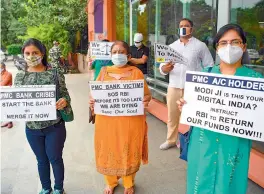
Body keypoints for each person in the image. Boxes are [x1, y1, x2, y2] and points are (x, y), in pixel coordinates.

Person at [177, 24, 263, 194]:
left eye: (235, 42)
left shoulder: (255, 81)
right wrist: (185, 106)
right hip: (203, 143)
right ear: (217, 48)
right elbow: (194, 104)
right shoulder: (204, 75)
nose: (229, 47)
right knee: (199, 183)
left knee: (229, 183)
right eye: (223, 43)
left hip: (233, 145)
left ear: (244, 46)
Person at [89, 41, 151, 194]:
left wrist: (146, 99)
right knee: (109, 148)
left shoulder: (136, 72)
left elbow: (147, 94)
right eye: (115, 52)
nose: (118, 54)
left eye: (121, 52)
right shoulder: (103, 72)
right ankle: (111, 182)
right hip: (107, 121)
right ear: (111, 55)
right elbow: (95, 94)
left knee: (129, 149)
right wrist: (92, 100)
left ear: (128, 56)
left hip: (131, 121)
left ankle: (129, 182)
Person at [14, 38, 73, 194]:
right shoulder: (20, 76)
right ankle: (46, 188)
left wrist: (64, 101)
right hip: (32, 128)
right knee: (41, 160)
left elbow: (65, 94)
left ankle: (58, 188)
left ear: (42, 53)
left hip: (54, 126)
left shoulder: (54, 72)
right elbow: (17, 101)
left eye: (35, 52)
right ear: (23, 55)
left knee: (55, 158)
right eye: (27, 53)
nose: (31, 56)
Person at [159, 18, 214, 150]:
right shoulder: (171, 47)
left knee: (193, 116)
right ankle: (171, 140)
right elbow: (162, 66)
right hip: (174, 86)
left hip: (192, 88)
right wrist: (164, 69)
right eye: (181, 26)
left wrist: (201, 80)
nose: (183, 28)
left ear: (192, 29)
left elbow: (209, 65)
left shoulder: (200, 45)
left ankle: (191, 141)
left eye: (186, 26)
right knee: (172, 116)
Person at [1, 61, 13, 128]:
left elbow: (2, 84)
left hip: (7, 94)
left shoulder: (8, 74)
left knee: (8, 109)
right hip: (1, 94)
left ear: (4, 67)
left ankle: (10, 123)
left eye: (1, 67)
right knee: (3, 110)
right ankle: (6, 121)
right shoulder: (1, 74)